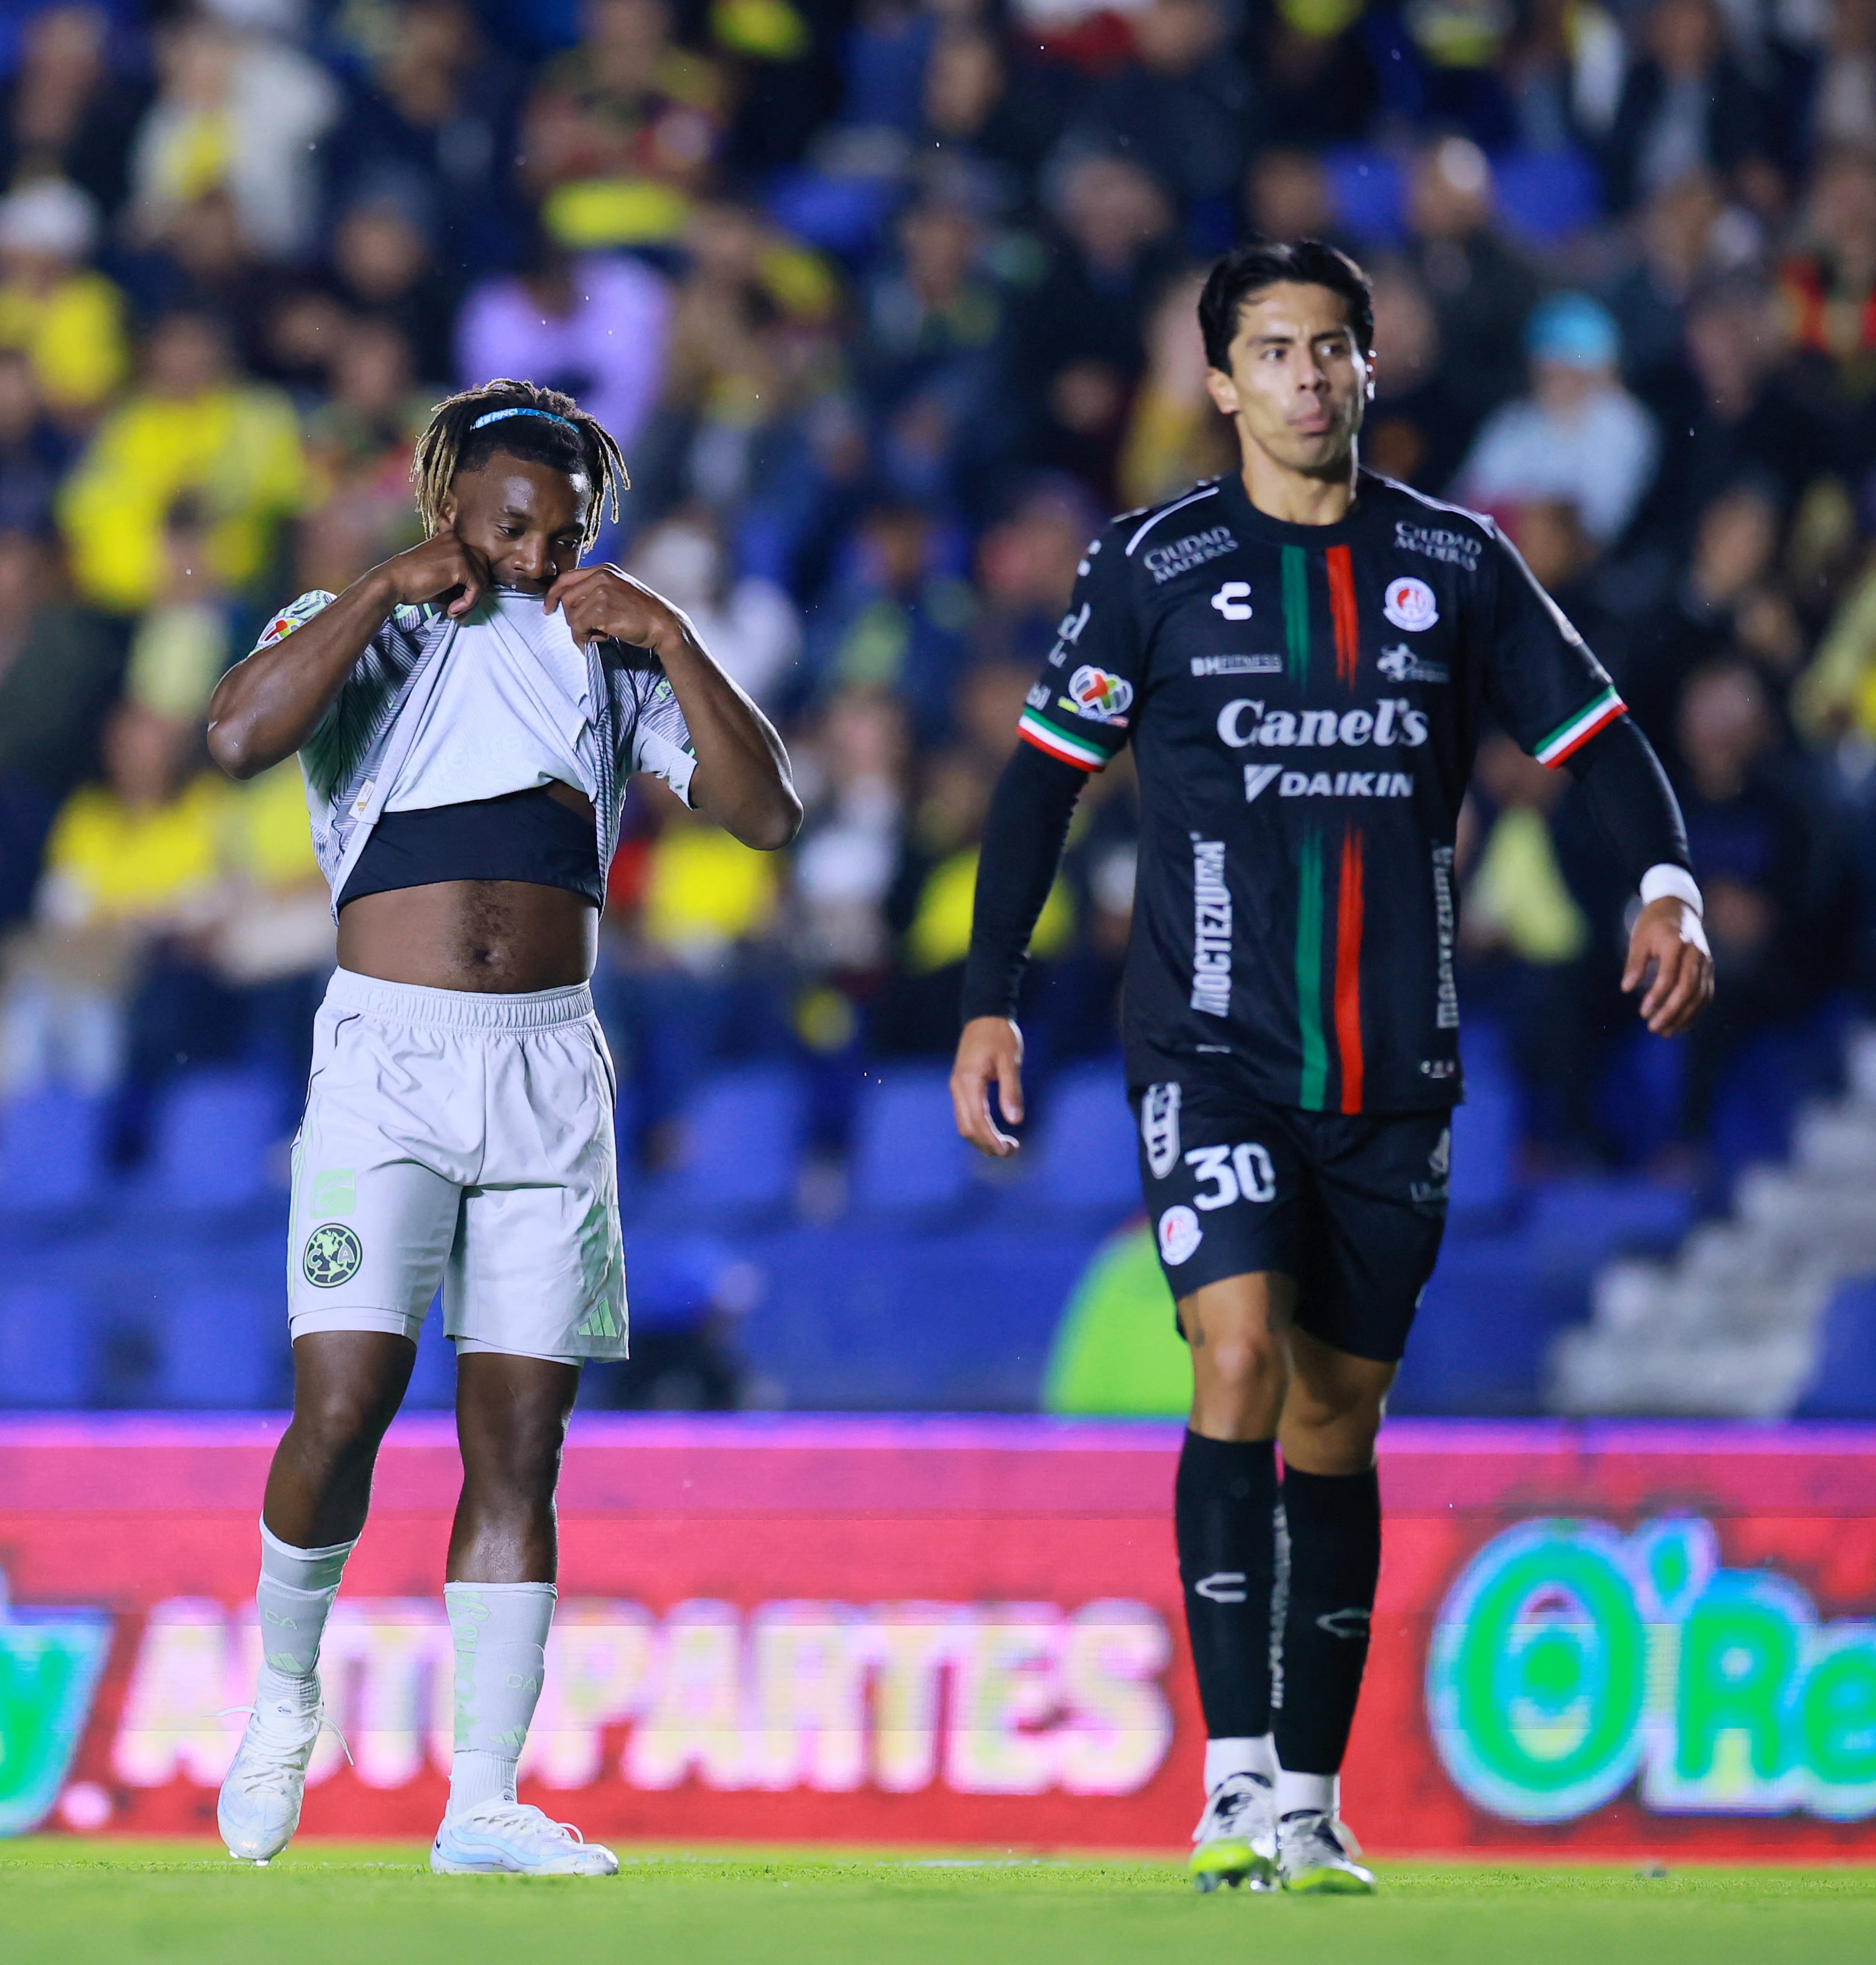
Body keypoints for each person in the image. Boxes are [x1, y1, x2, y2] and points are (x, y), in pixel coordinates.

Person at [948, 243, 1714, 1895]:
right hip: (1209, 1050)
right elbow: (1035, 786)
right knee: (1229, 1355)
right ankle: (1227, 1781)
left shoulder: (1458, 561)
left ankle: (1309, 1794)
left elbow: (1598, 743)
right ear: (1219, 381)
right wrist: (988, 995)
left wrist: (1667, 880)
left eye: (1333, 350)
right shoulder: (1149, 563)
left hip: (1393, 1066)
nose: (1307, 378)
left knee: (1334, 1423)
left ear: (1370, 371)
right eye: (1274, 351)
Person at [201, 380, 799, 1875]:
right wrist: (375, 589)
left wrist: (671, 632)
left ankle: (481, 1799)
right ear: (447, 508)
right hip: (388, 1062)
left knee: (519, 1447)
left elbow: (767, 812)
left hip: (547, 1068)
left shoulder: (611, 657)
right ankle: (283, 1699)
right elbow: (232, 734)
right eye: (512, 522)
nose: (538, 553)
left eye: (566, 528)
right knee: (341, 1409)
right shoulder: (365, 622)